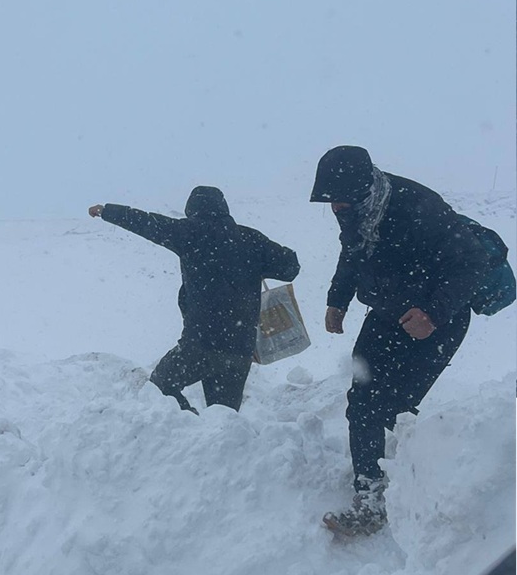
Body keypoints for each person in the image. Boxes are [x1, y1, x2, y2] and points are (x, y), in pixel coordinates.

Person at [310, 145, 489, 537]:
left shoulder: (419, 207)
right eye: (331, 202)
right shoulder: (355, 211)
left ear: (361, 189)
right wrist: (337, 300)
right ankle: (370, 497)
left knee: (393, 408)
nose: (335, 209)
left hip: (435, 323)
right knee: (363, 401)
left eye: (340, 201)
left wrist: (434, 313)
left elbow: (473, 262)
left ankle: (438, 483)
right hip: (387, 315)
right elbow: (353, 253)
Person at [89, 186, 300, 413]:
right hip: (239, 350)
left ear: (191, 209)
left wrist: (108, 211)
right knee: (224, 420)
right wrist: (252, 263)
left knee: (160, 389)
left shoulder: (190, 232)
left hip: (201, 344)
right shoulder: (251, 238)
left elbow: (148, 223)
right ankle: (205, 441)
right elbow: (290, 267)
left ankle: (186, 423)